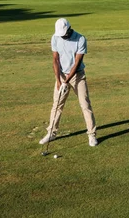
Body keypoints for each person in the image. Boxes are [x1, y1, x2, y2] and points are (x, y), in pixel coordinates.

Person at [39, 18, 98, 147]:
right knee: (57, 105)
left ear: (69, 28)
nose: (62, 36)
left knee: (85, 105)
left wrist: (66, 81)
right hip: (61, 76)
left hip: (77, 76)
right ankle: (51, 133)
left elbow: (77, 63)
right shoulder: (55, 37)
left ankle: (92, 135)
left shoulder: (80, 39)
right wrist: (59, 80)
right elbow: (55, 60)